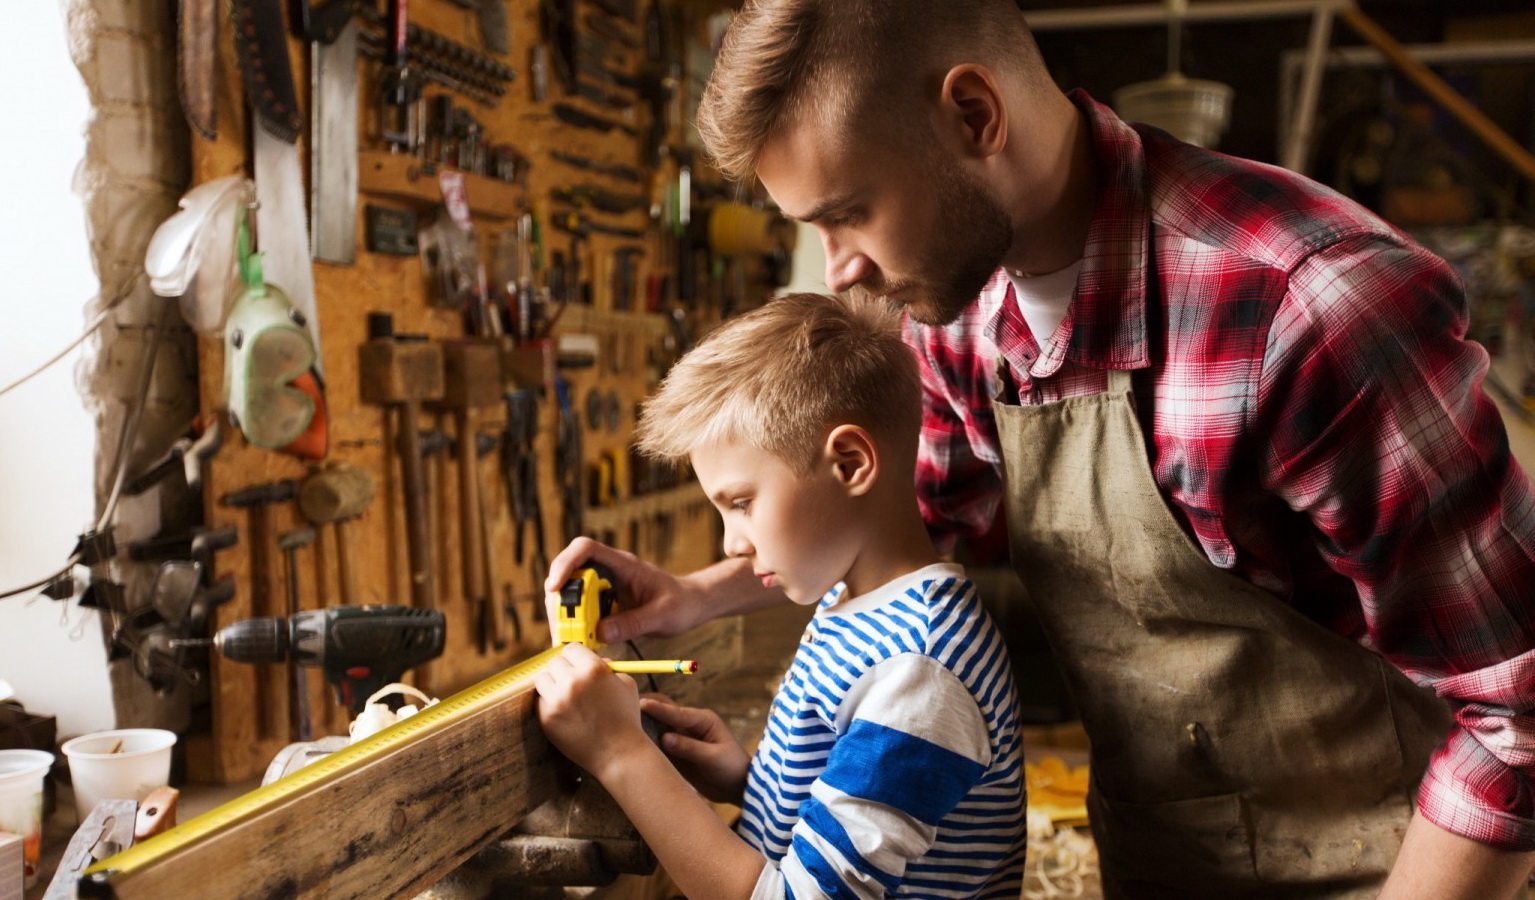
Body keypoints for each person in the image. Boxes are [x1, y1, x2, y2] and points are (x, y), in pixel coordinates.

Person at [542, 1, 1535, 897]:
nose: (840, 267)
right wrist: (694, 596)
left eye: (848, 212)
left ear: (972, 116)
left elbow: (1514, 715)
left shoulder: (1310, 310)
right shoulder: (956, 316)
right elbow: (907, 519)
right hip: (1158, 865)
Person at [535, 293, 1028, 900]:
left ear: (849, 464)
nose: (730, 543)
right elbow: (852, 822)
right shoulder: (852, 601)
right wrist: (755, 785)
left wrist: (620, 754)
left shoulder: (918, 672)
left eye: (741, 503)